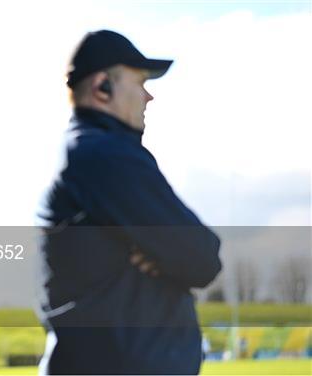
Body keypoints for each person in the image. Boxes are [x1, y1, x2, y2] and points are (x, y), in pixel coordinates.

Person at [36, 30, 222, 374]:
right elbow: (203, 256)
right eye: (139, 82)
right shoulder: (105, 154)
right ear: (102, 87)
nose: (148, 96)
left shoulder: (84, 150)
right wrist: (169, 257)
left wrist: (166, 253)